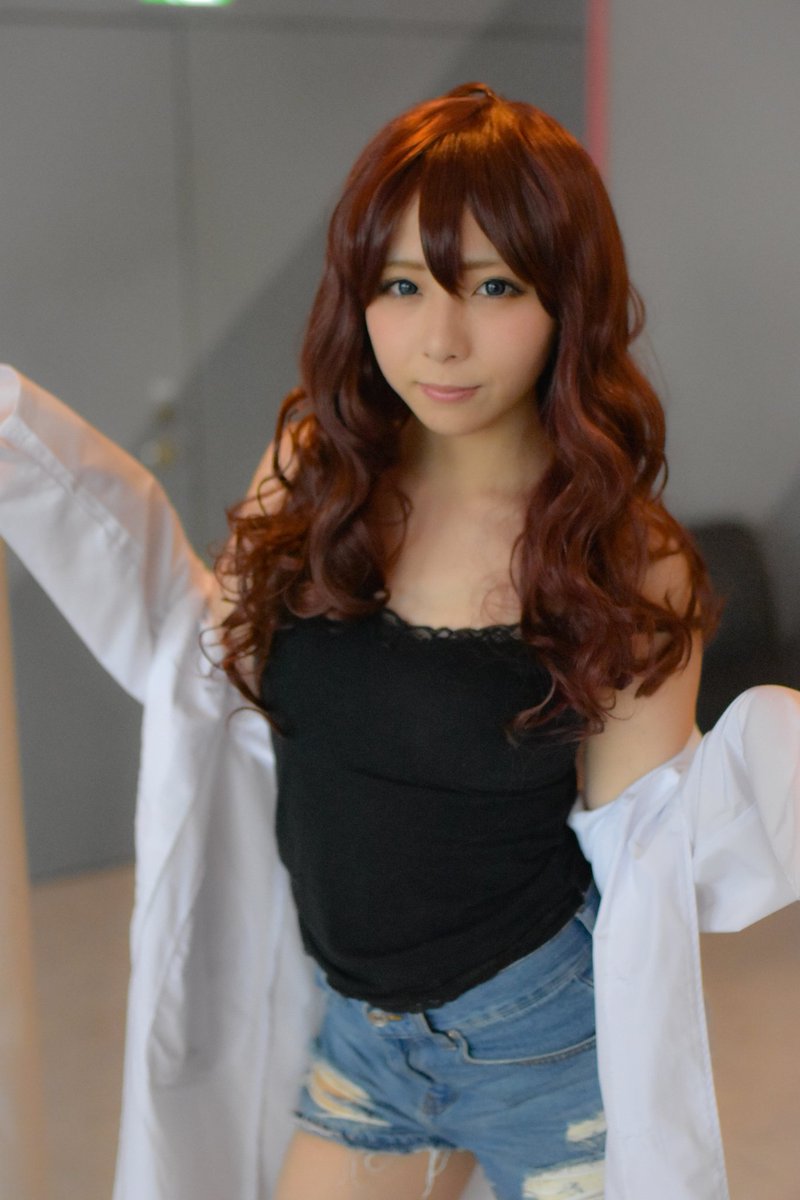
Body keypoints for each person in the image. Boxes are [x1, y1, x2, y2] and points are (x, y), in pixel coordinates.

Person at [0, 83, 797, 1200]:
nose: (440, 339)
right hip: (361, 1036)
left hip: (543, 1046)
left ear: (567, 298)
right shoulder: (317, 472)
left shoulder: (621, 553)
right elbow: (206, 663)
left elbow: (646, 861)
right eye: (402, 284)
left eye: (494, 286)